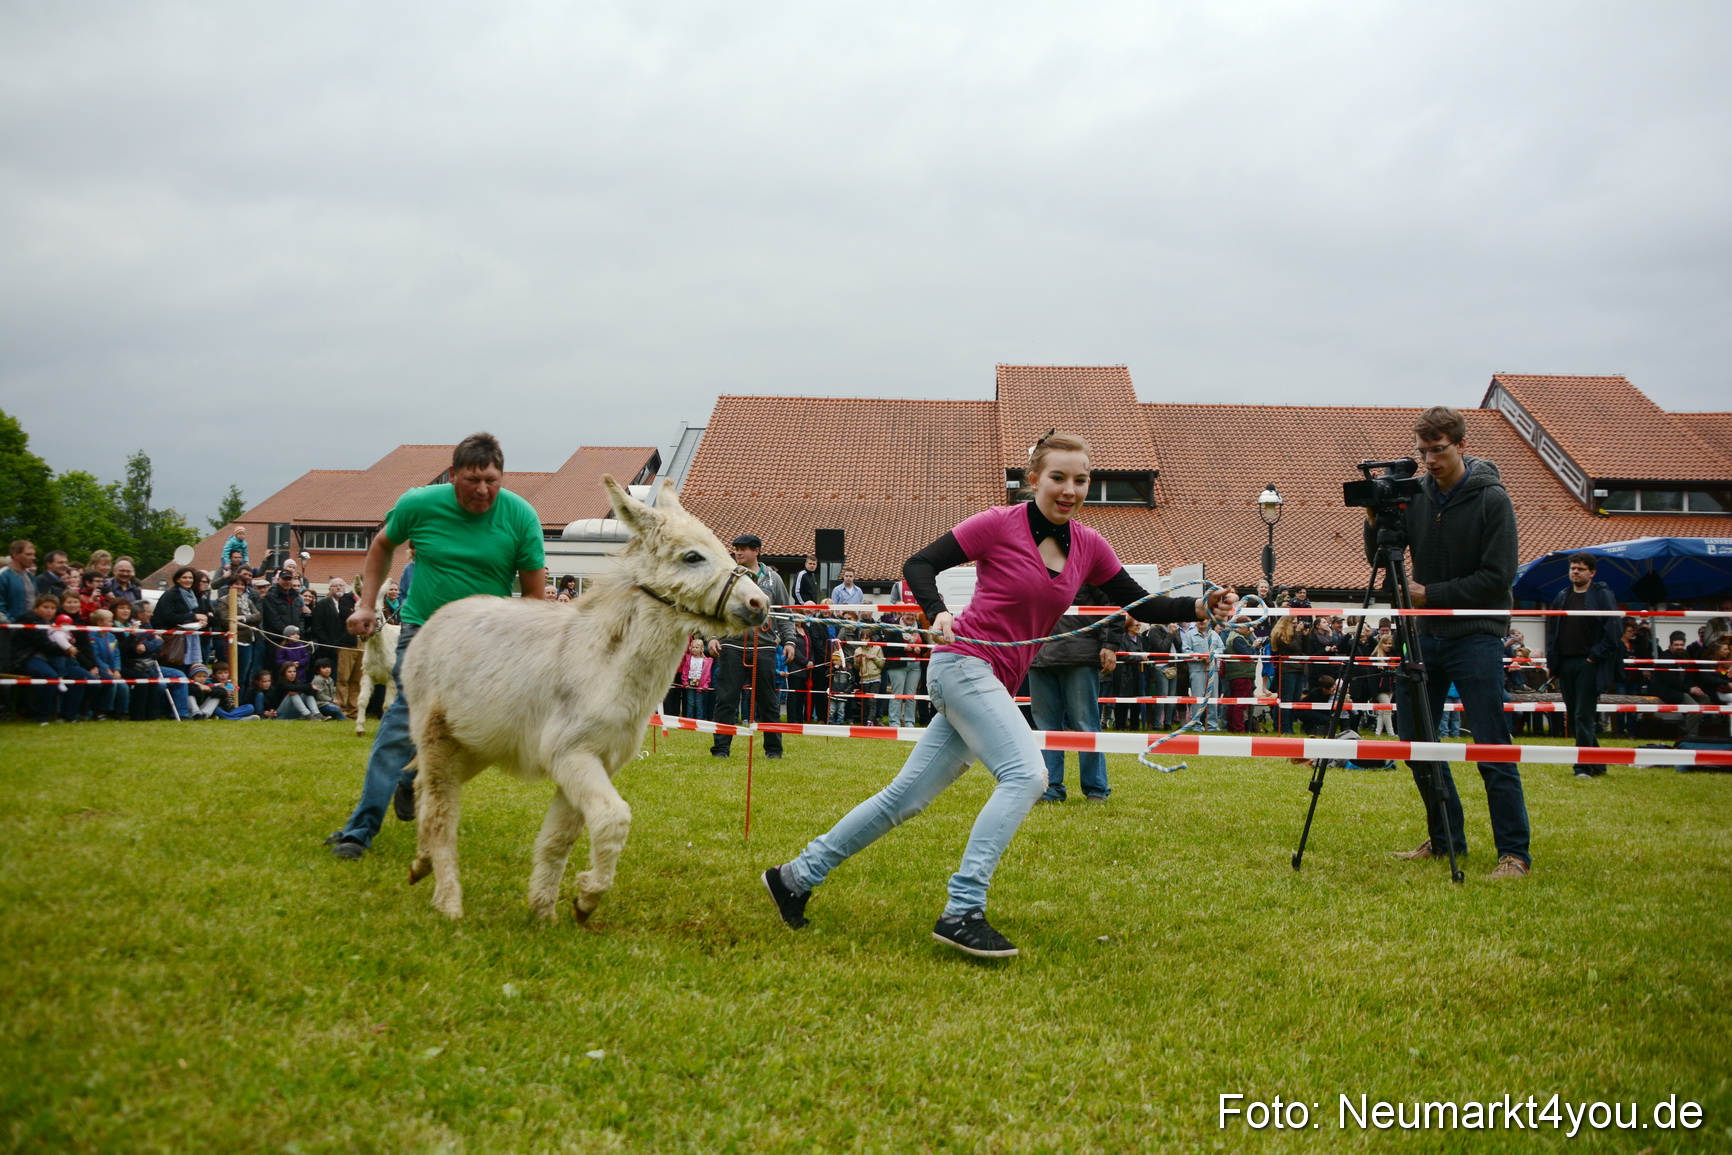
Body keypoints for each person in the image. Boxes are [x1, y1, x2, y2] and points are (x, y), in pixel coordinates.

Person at [761, 432, 1236, 958]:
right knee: (1028, 775)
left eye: (1081, 480)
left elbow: (1141, 605)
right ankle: (963, 909)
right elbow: (919, 565)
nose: (1070, 490)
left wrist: (1199, 607)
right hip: (962, 664)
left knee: (906, 798)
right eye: (1058, 477)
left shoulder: (1090, 546)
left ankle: (794, 876)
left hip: (991, 680)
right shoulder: (998, 524)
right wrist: (935, 610)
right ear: (1033, 479)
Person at [326, 433, 546, 860]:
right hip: (423, 634)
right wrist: (366, 604)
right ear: (452, 475)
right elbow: (381, 545)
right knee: (402, 722)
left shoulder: (521, 516)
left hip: (484, 642)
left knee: (463, 732)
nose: (483, 490)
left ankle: (411, 780)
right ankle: (358, 832)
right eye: (472, 479)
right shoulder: (419, 504)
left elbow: (535, 597)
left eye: (492, 480)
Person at [1373, 407, 1531, 881]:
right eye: (1422, 451)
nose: (1429, 460)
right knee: (1415, 740)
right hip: (1424, 636)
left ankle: (1514, 853)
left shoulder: (1493, 499)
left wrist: (1431, 595)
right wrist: (1372, 515)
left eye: (1437, 449)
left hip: (1476, 635)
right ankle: (1445, 839)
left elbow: (1498, 577)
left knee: (1490, 743)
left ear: (1461, 444)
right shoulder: (1416, 494)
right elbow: (1381, 557)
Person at [1029, 583, 1126, 802]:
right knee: (1047, 729)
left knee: (1085, 725)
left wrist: (1110, 643)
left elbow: (1113, 601)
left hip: (1078, 654)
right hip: (1038, 653)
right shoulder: (1031, 561)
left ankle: (1095, 788)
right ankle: (1050, 787)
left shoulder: (1088, 562)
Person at [705, 534, 796, 759]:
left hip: (763, 646)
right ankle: (721, 749)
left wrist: (790, 641)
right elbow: (714, 611)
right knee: (726, 699)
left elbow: (784, 613)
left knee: (768, 701)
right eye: (736, 549)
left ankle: (774, 750)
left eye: (744, 549)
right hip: (731, 645)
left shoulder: (773, 579)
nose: (738, 553)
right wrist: (712, 637)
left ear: (756, 551)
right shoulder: (727, 578)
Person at [1544, 553, 1622, 778]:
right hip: (1565, 664)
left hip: (1589, 663)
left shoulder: (1602, 595)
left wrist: (1593, 658)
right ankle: (1598, 763)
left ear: (1592, 572)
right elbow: (1553, 632)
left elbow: (1612, 631)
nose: (1575, 571)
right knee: (1575, 714)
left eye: (1580, 568)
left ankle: (1582, 766)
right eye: (1572, 568)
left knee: (1583, 715)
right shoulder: (1562, 596)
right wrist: (1553, 663)